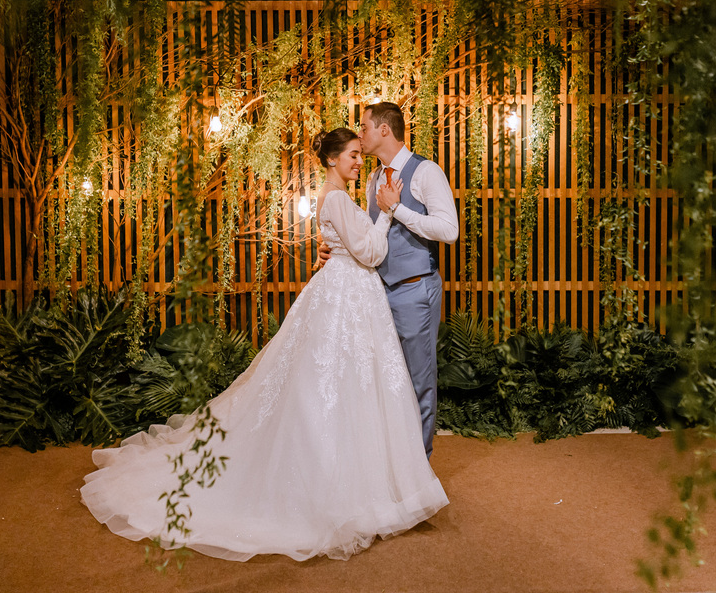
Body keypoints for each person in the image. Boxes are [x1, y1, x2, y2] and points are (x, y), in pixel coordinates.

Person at [80, 127, 448, 561]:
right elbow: (370, 253)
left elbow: (351, 246)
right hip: (347, 294)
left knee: (346, 387)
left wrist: (355, 234)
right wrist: (386, 213)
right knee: (334, 389)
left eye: (358, 153)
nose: (357, 161)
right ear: (332, 159)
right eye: (351, 154)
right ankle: (342, 485)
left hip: (350, 294)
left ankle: (367, 477)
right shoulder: (336, 198)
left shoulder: (338, 196)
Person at [336, 101, 460, 458]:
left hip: (415, 290)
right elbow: (372, 236)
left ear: (384, 130)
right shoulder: (374, 178)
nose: (360, 135)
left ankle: (420, 468)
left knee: (419, 381)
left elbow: (449, 230)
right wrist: (335, 248)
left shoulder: (425, 172)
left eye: (364, 127)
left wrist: (397, 208)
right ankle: (394, 466)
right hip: (378, 293)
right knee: (387, 381)